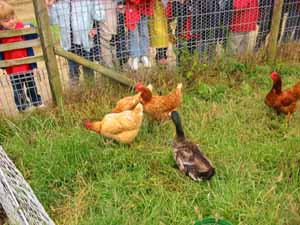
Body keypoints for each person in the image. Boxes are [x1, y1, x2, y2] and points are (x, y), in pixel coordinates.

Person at [47, 0, 105, 87]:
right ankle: (75, 92)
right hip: (69, 43)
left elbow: (100, 16)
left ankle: (91, 90)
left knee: (88, 69)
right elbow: (52, 21)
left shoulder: (87, 2)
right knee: (73, 71)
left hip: (85, 41)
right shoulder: (60, 3)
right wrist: (50, 7)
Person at [0, 1, 43, 112]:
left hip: (27, 64)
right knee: (17, 89)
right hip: (13, 68)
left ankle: (36, 102)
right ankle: (23, 107)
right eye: (6, 20)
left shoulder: (21, 27)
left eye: (12, 17)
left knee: (31, 85)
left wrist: (30, 27)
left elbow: (35, 35)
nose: (11, 22)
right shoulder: (1, 34)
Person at [125, 0, 154, 70]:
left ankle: (144, 55)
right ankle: (135, 56)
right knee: (133, 33)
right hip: (132, 7)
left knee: (144, 31)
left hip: (144, 6)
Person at [148, 0, 169, 65]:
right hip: (156, 12)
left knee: (164, 37)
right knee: (159, 35)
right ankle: (161, 57)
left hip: (163, 12)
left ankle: (162, 57)